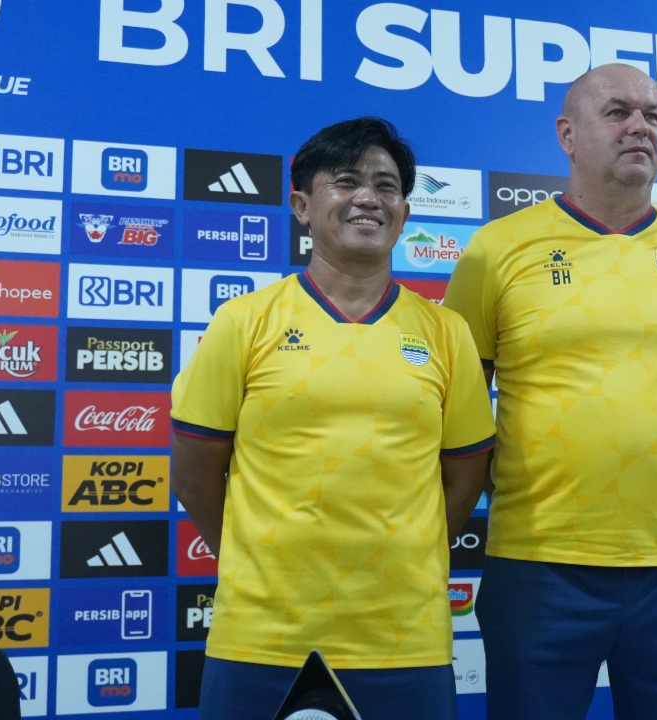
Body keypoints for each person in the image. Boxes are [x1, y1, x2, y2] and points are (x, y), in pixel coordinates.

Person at [171, 117, 496, 720]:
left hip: (405, 636)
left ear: (403, 213)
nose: (368, 197)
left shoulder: (447, 333)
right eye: (346, 182)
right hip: (263, 634)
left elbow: (465, 476)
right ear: (301, 205)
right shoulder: (244, 322)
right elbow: (193, 476)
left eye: (386, 186)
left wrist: (410, 556)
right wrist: (252, 561)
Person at [443, 63, 657, 720]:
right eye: (617, 112)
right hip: (538, 563)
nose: (640, 126)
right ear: (567, 134)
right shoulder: (496, 250)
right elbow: (457, 411)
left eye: (653, 115)